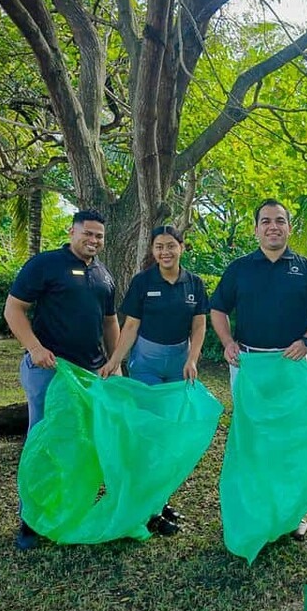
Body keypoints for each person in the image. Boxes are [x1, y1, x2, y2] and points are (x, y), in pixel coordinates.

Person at [210, 198, 307, 540]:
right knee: (252, 438)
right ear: (256, 229)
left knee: (290, 438)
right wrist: (227, 341)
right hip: (248, 365)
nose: (273, 226)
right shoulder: (239, 269)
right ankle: (255, 508)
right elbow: (217, 309)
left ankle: (293, 513)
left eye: (279, 220)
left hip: (291, 365)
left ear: (289, 227)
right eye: (266, 221)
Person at [3, 209, 121, 550]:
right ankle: (31, 520)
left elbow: (109, 322)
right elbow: (13, 309)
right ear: (72, 232)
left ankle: (69, 509)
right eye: (88, 233)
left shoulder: (103, 274)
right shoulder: (45, 264)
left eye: (99, 236)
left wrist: (115, 362)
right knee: (44, 444)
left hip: (89, 377)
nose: (93, 240)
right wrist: (34, 347)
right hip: (50, 372)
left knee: (83, 444)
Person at [105, 225, 209, 536]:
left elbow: (199, 326)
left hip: (179, 365)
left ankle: (160, 500)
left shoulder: (194, 283)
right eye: (159, 246)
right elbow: (131, 326)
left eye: (170, 246)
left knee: (169, 435)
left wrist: (192, 360)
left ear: (182, 247)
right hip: (146, 364)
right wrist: (115, 360)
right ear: (153, 250)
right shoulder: (143, 282)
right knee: (149, 434)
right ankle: (146, 508)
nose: (165, 252)